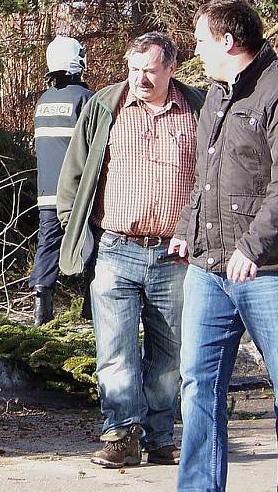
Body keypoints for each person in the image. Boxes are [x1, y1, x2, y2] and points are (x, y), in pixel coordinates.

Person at [57, 32, 204, 469]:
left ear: (171, 68)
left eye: (150, 70)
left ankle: (159, 437)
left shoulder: (198, 109)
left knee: (169, 354)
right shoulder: (105, 105)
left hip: (174, 256)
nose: (140, 78)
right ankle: (120, 434)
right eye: (134, 69)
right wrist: (74, 225)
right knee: (115, 349)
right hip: (115, 248)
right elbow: (74, 171)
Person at [172, 0, 278, 492]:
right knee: (197, 385)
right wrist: (186, 230)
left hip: (267, 273)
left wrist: (252, 247)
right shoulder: (216, 93)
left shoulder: (275, 89)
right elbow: (206, 175)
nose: (195, 49)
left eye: (200, 40)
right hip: (209, 270)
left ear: (228, 42)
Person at [29, 35, 94, 326]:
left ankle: (41, 309)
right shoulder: (86, 99)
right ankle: (92, 309)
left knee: (48, 245)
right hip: (79, 194)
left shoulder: (43, 101)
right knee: (96, 245)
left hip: (47, 194)